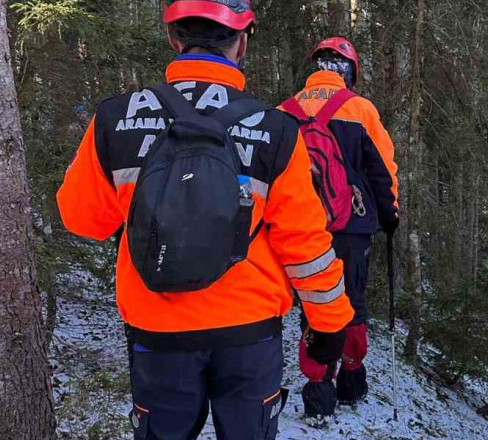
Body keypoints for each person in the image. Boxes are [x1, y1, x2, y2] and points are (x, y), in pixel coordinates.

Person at [57, 1, 353, 438]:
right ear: (243, 41)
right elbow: (305, 244)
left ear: (174, 38)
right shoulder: (275, 129)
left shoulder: (114, 119)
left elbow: (83, 221)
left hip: (157, 332)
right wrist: (330, 325)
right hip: (249, 334)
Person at [281, 37, 399, 425]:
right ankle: (351, 381)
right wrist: (389, 217)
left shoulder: (284, 111)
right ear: (349, 71)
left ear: (315, 68)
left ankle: (318, 391)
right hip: (351, 226)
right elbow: (383, 172)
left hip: (299, 227)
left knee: (315, 305)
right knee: (352, 302)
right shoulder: (360, 109)